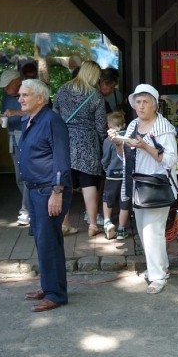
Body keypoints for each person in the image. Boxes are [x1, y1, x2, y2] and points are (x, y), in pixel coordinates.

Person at [108, 84, 178, 294]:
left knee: (151, 232)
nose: (140, 106)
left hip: (157, 185)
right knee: (143, 230)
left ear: (155, 105)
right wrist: (118, 144)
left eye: (145, 102)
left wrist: (145, 147)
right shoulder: (132, 126)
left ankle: (157, 277)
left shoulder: (164, 128)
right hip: (137, 185)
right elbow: (125, 157)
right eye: (137, 102)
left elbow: (171, 160)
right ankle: (161, 268)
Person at [17, 79, 73, 313]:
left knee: (48, 242)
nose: (20, 99)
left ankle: (55, 294)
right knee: (44, 241)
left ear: (40, 98)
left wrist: (57, 192)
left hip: (49, 190)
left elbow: (61, 159)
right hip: (35, 189)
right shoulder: (29, 120)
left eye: (25, 95)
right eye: (20, 94)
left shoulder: (51, 121)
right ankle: (50, 286)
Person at [52, 60, 107, 238]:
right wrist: (102, 144)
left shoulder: (62, 90)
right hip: (88, 143)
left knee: (65, 184)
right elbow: (100, 125)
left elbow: (55, 115)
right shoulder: (96, 95)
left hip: (65, 141)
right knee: (89, 183)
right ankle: (92, 225)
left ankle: (64, 223)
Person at [0, 68, 32, 226]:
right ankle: (28, 207)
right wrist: (1, 118)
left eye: (7, 85)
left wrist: (16, 112)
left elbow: (39, 112)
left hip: (28, 137)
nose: (5, 89)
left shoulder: (31, 91)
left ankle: (26, 210)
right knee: (19, 176)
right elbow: (4, 112)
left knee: (27, 175)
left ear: (17, 82)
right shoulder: (6, 96)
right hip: (13, 137)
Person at [100, 111, 130, 240]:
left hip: (112, 174)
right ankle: (122, 229)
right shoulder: (128, 138)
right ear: (124, 124)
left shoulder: (108, 140)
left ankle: (107, 222)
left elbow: (105, 159)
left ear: (109, 126)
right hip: (126, 174)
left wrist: (105, 168)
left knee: (108, 198)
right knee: (124, 201)